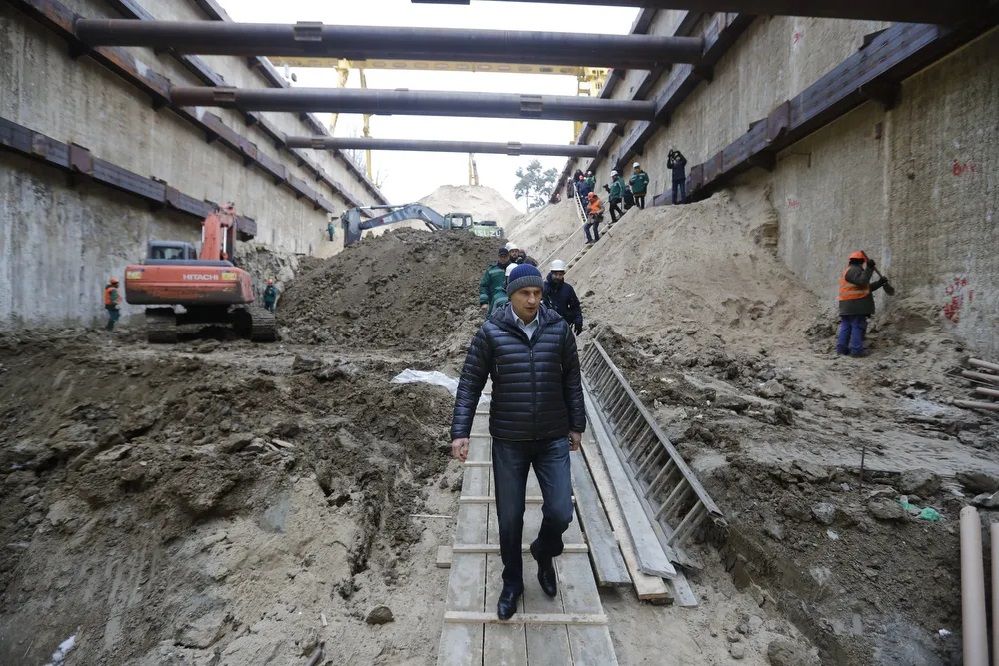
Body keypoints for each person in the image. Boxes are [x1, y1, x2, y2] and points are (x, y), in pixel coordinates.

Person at [450, 263, 585, 620]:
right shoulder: (492, 331)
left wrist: (577, 424)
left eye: (538, 293)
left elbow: (572, 379)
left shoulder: (558, 329)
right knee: (510, 519)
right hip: (509, 439)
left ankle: (543, 551)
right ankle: (512, 583)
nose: (533, 300)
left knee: (561, 511)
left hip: (553, 437)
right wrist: (460, 432)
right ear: (510, 294)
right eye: (526, 293)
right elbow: (469, 384)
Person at [837, 251, 887, 357]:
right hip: (855, 305)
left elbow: (865, 288)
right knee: (857, 326)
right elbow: (863, 281)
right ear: (862, 262)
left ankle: (841, 350)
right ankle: (856, 351)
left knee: (846, 326)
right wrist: (869, 268)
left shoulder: (850, 271)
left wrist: (879, 283)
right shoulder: (854, 270)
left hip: (847, 306)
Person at [543, 260, 583, 335]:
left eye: (560, 274)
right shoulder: (542, 288)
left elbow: (575, 306)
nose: (558, 277)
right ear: (551, 273)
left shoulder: (568, 289)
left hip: (563, 328)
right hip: (546, 329)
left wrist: (578, 320)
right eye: (555, 274)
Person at [480, 247, 512, 314]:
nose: (503, 258)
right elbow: (484, 286)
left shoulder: (513, 268)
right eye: (501, 256)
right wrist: (484, 302)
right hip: (495, 302)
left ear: (508, 256)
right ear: (498, 257)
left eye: (505, 256)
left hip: (512, 302)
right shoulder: (491, 270)